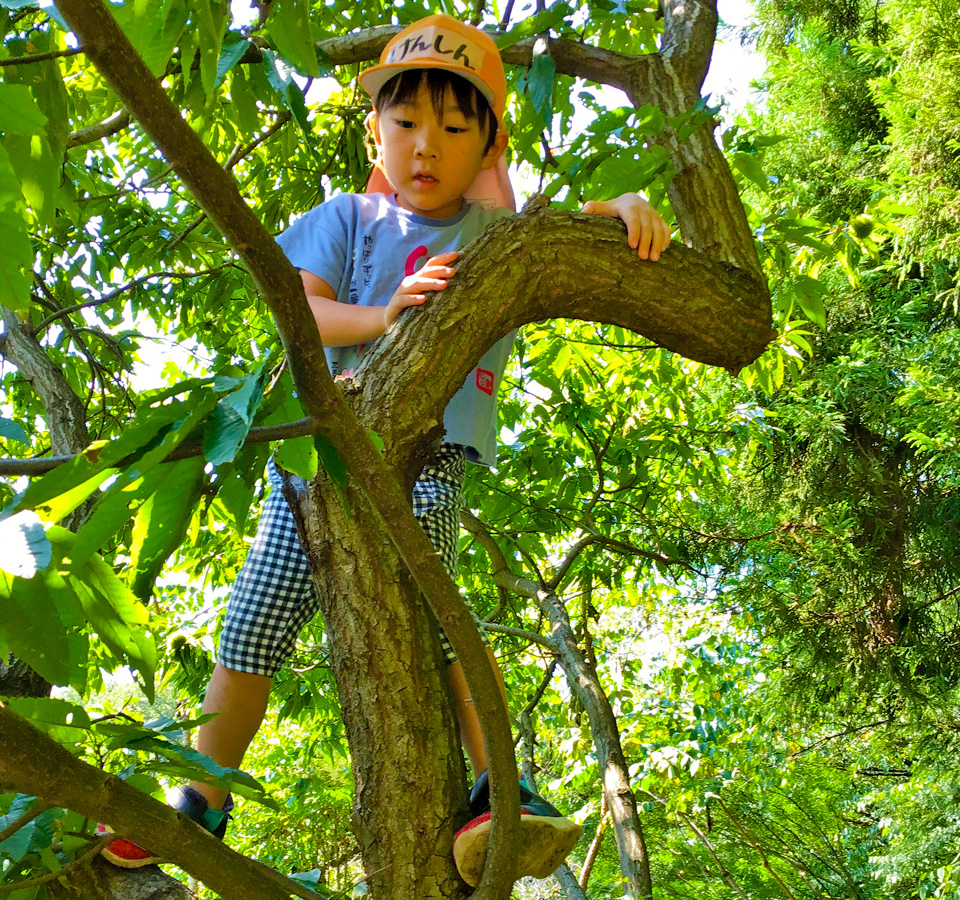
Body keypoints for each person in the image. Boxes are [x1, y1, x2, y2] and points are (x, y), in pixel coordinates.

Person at [99, 13, 671, 885]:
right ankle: (200, 801)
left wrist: (626, 209)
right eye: (406, 123)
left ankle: (504, 793)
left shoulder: (494, 234)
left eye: (453, 126)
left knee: (432, 601)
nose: (425, 146)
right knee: (250, 623)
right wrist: (389, 313)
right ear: (376, 129)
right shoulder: (351, 216)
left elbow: (577, 229)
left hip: (431, 458)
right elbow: (302, 312)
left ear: (487, 142)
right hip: (315, 464)